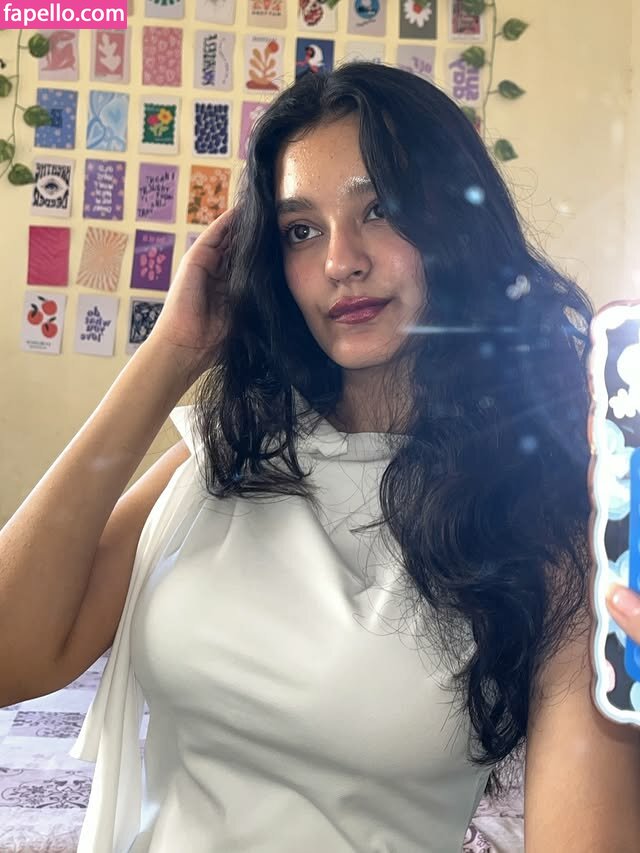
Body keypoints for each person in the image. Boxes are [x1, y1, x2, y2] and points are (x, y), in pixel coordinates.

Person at [1, 61, 639, 852]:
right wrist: (172, 353)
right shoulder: (227, 455)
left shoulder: (543, 525)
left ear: (458, 227)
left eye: (382, 210)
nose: (341, 260)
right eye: (301, 230)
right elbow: (11, 654)